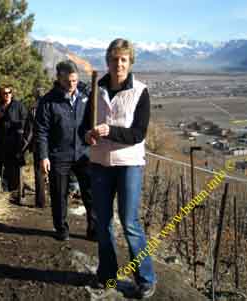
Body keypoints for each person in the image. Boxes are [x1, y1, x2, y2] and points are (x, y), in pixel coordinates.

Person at [85, 38, 156, 297]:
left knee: (129, 222)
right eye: (114, 59)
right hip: (100, 163)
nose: (118, 64)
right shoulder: (96, 89)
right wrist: (88, 136)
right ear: (108, 61)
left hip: (129, 164)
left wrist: (109, 131)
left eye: (123, 59)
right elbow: (85, 126)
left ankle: (146, 277)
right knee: (102, 222)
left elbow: (138, 133)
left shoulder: (140, 91)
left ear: (130, 62)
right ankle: (108, 275)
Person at [35, 60, 97, 241]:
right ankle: (61, 228)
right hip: (59, 154)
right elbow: (41, 132)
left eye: (75, 81)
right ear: (59, 79)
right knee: (59, 194)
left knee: (91, 193)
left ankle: (93, 229)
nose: (72, 85)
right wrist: (44, 156)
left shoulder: (86, 95)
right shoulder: (48, 102)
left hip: (84, 153)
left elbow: (92, 119)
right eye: (68, 81)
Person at [0, 84, 28, 201]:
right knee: (3, 167)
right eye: (4, 93)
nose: (7, 95)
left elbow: (25, 121)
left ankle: (18, 192)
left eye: (9, 92)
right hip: (1, 141)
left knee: (16, 168)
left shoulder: (18, 105)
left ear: (12, 93)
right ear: (0, 94)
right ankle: (8, 192)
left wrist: (23, 138)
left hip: (15, 141)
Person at [24, 86, 46, 208]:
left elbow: (30, 129)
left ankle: (40, 201)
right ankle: (57, 201)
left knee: (39, 172)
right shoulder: (51, 104)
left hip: (38, 142)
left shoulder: (33, 108)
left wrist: (25, 145)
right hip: (52, 143)